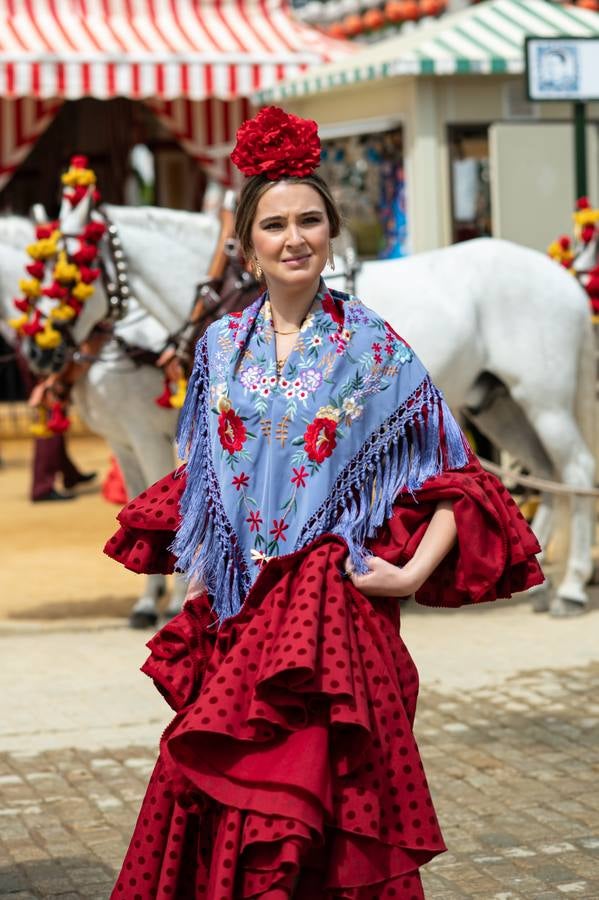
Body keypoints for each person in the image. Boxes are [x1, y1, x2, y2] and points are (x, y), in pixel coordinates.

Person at [104, 107, 544, 899]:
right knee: (219, 803)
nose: (294, 238)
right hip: (237, 618)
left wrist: (410, 575)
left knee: (327, 818)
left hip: (331, 623)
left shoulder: (372, 347)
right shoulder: (218, 347)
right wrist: (201, 584)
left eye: (309, 220)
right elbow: (199, 479)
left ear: (332, 234)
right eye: (274, 225)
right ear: (247, 246)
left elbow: (458, 476)